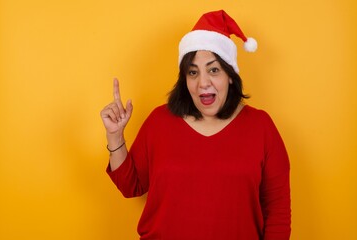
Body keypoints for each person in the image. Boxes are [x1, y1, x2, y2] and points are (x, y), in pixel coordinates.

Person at [100, 10, 291, 240]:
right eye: (193, 72)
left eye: (213, 70)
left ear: (230, 75)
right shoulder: (160, 121)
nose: (203, 83)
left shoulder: (262, 127)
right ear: (185, 79)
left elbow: (278, 214)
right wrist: (115, 136)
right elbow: (131, 187)